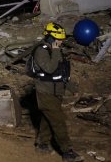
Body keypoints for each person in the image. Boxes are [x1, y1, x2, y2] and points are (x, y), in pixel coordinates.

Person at [32, 22, 83, 161]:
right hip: (45, 93)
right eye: (58, 39)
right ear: (50, 38)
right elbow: (49, 69)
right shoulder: (41, 51)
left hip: (56, 91)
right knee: (59, 122)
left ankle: (42, 144)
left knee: (48, 118)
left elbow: (60, 73)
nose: (61, 42)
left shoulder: (55, 49)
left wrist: (71, 88)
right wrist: (55, 51)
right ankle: (67, 152)